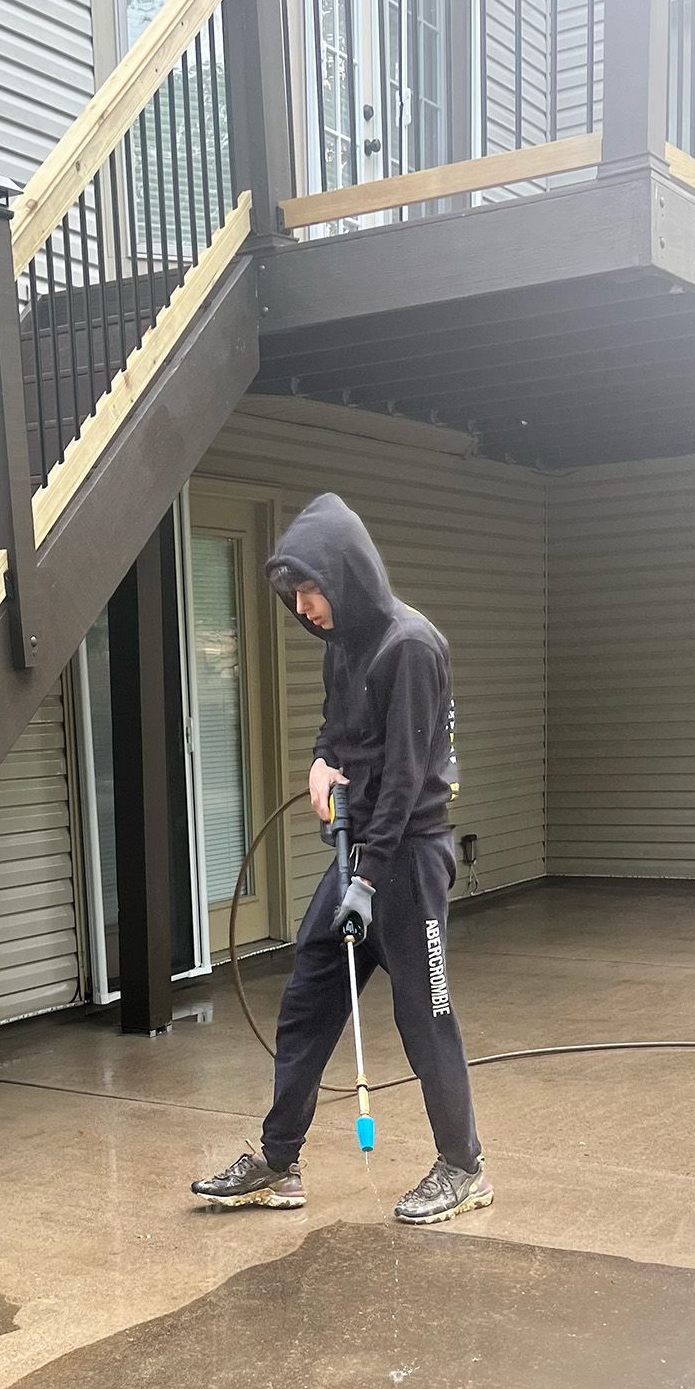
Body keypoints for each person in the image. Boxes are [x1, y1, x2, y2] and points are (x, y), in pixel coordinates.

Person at [192, 494, 491, 1226]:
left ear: (346, 575)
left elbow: (406, 781)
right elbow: (338, 732)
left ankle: (464, 1166)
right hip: (359, 852)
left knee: (426, 1016)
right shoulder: (342, 646)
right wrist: (322, 764)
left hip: (409, 859)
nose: (304, 607)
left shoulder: (410, 647)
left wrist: (364, 879)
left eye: (311, 590)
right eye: (293, 596)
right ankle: (278, 1161)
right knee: (307, 1000)